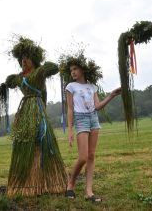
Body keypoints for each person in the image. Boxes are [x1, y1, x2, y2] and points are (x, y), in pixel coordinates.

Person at [0, 36, 67, 196]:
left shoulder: (39, 72)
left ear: (33, 59)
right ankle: (25, 183)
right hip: (25, 110)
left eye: (26, 59)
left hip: (38, 109)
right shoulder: (20, 77)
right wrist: (6, 83)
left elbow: (53, 68)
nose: (23, 62)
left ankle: (48, 182)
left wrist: (42, 64)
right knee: (25, 143)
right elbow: (9, 82)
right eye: (21, 60)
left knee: (43, 141)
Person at [59, 51, 121, 201]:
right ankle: (71, 184)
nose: (73, 72)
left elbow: (97, 106)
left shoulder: (92, 86)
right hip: (81, 120)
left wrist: (111, 95)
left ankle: (88, 192)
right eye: (71, 70)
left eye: (75, 69)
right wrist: (70, 131)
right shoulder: (70, 86)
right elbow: (69, 109)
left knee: (91, 156)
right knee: (83, 157)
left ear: (82, 70)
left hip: (93, 118)